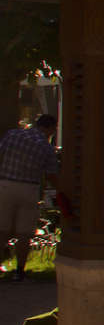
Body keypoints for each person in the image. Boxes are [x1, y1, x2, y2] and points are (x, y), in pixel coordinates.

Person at [0, 115, 61, 281]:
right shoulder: (46, 147)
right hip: (29, 188)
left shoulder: (13, 135)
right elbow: (51, 175)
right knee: (24, 232)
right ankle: (19, 271)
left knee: (2, 229)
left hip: (5, 184)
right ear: (50, 129)